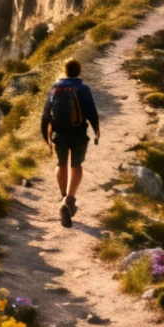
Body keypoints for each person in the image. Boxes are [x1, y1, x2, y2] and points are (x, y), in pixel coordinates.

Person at [40, 59, 100, 228]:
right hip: (78, 133)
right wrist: (96, 132)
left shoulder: (55, 88)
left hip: (60, 133)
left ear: (65, 71)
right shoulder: (82, 88)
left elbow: (46, 114)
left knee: (61, 163)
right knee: (77, 165)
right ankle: (70, 198)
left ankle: (63, 195)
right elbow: (91, 112)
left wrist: (46, 135)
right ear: (78, 71)